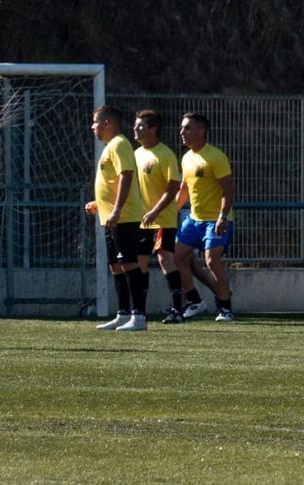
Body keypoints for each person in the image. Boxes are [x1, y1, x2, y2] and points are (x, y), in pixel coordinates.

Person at [87, 106, 150, 332]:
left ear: (107, 124)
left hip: (124, 217)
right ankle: (123, 314)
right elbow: (112, 183)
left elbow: (126, 176)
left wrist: (116, 210)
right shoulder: (110, 147)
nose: (92, 127)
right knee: (115, 266)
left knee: (128, 263)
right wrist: (99, 204)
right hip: (111, 218)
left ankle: (138, 316)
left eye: (95, 122)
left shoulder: (120, 144)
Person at [174, 112, 236, 322]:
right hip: (193, 220)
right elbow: (184, 189)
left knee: (212, 261)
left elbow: (228, 189)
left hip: (215, 220)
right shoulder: (186, 157)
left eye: (187, 128)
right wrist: (171, 211)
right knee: (177, 256)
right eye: (182, 127)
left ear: (201, 131)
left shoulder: (216, 156)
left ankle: (225, 308)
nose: (182, 132)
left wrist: (222, 216)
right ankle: (195, 301)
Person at [132, 110, 186, 324]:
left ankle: (177, 310)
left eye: (140, 126)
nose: (135, 129)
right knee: (140, 263)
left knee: (165, 259)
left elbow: (173, 187)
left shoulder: (165, 154)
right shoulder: (136, 154)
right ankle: (140, 312)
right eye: (136, 125)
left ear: (153, 129)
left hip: (163, 219)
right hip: (141, 220)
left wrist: (155, 211)